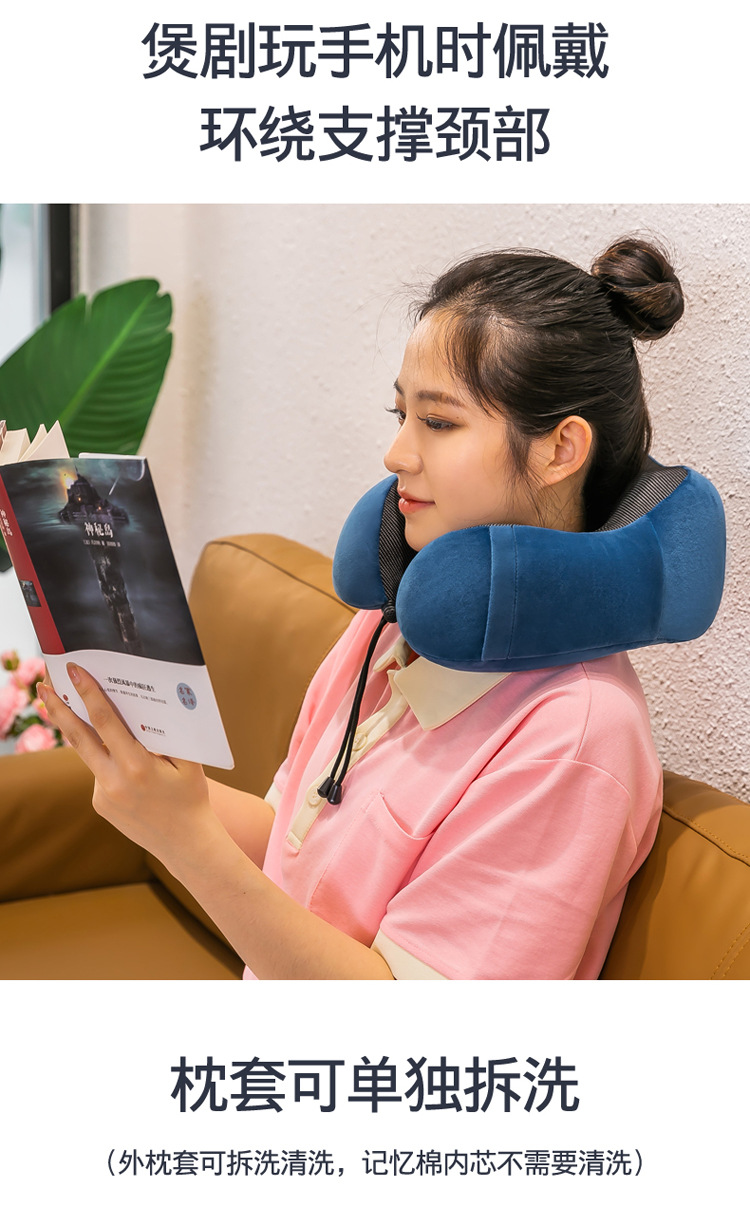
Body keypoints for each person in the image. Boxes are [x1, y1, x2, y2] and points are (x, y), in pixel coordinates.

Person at [40, 235, 684, 980]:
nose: (396, 454)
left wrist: (185, 840)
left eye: (438, 422)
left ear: (560, 450)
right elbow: (287, 839)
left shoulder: (574, 736)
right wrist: (157, 787)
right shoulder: (382, 629)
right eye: (400, 413)